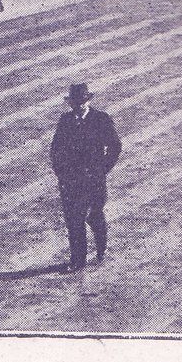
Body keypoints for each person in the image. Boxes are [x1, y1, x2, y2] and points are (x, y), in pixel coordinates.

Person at [50, 82, 122, 273]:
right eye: (74, 102)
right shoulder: (65, 121)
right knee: (73, 220)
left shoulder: (101, 119)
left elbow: (115, 146)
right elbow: (55, 150)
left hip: (93, 181)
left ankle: (101, 247)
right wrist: (62, 174)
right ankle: (77, 260)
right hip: (71, 181)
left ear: (87, 101)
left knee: (93, 216)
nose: (78, 106)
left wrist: (102, 169)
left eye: (81, 102)